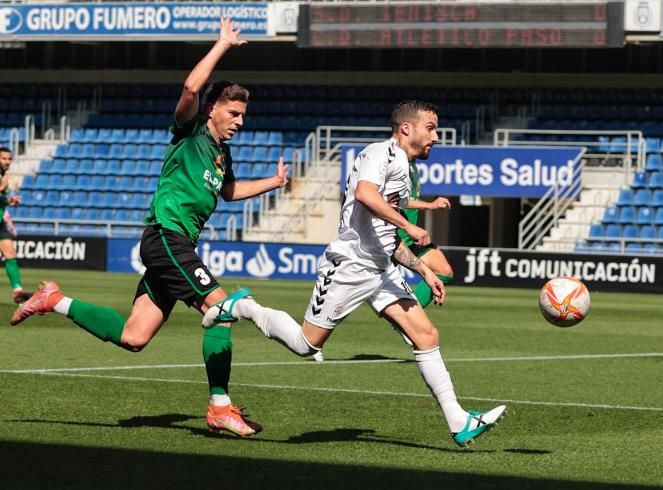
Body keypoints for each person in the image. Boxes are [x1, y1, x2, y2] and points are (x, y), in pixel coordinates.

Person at [11, 18, 290, 437]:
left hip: (177, 246)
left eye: (243, 116)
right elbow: (191, 89)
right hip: (166, 238)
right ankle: (220, 408)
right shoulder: (190, 130)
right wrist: (222, 45)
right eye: (233, 113)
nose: (240, 121)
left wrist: (273, 182)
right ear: (213, 109)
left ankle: (55, 300)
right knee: (221, 313)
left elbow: (228, 191)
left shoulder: (219, 155)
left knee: (134, 337)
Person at [202, 100, 507, 448]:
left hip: (380, 269)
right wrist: (409, 224)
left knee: (426, 336)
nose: (435, 136)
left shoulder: (404, 170)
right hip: (348, 266)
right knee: (306, 345)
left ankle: (458, 421)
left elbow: (387, 236)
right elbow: (364, 194)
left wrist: (424, 268)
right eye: (431, 128)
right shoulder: (380, 154)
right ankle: (245, 307)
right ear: (406, 128)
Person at [397, 160, 455, 309]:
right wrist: (430, 205)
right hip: (393, 236)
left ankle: (409, 319)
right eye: (430, 134)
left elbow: (407, 199)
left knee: (444, 271)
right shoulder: (397, 163)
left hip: (409, 238)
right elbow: (393, 200)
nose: (434, 138)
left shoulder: (412, 165)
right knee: (354, 288)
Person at [0, 147, 32, 304]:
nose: (7, 161)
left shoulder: (3, 176)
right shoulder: (2, 179)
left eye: (9, 158)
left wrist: (9, 201)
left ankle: (17, 291)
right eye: (3, 158)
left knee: (10, 253)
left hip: (0, 222)